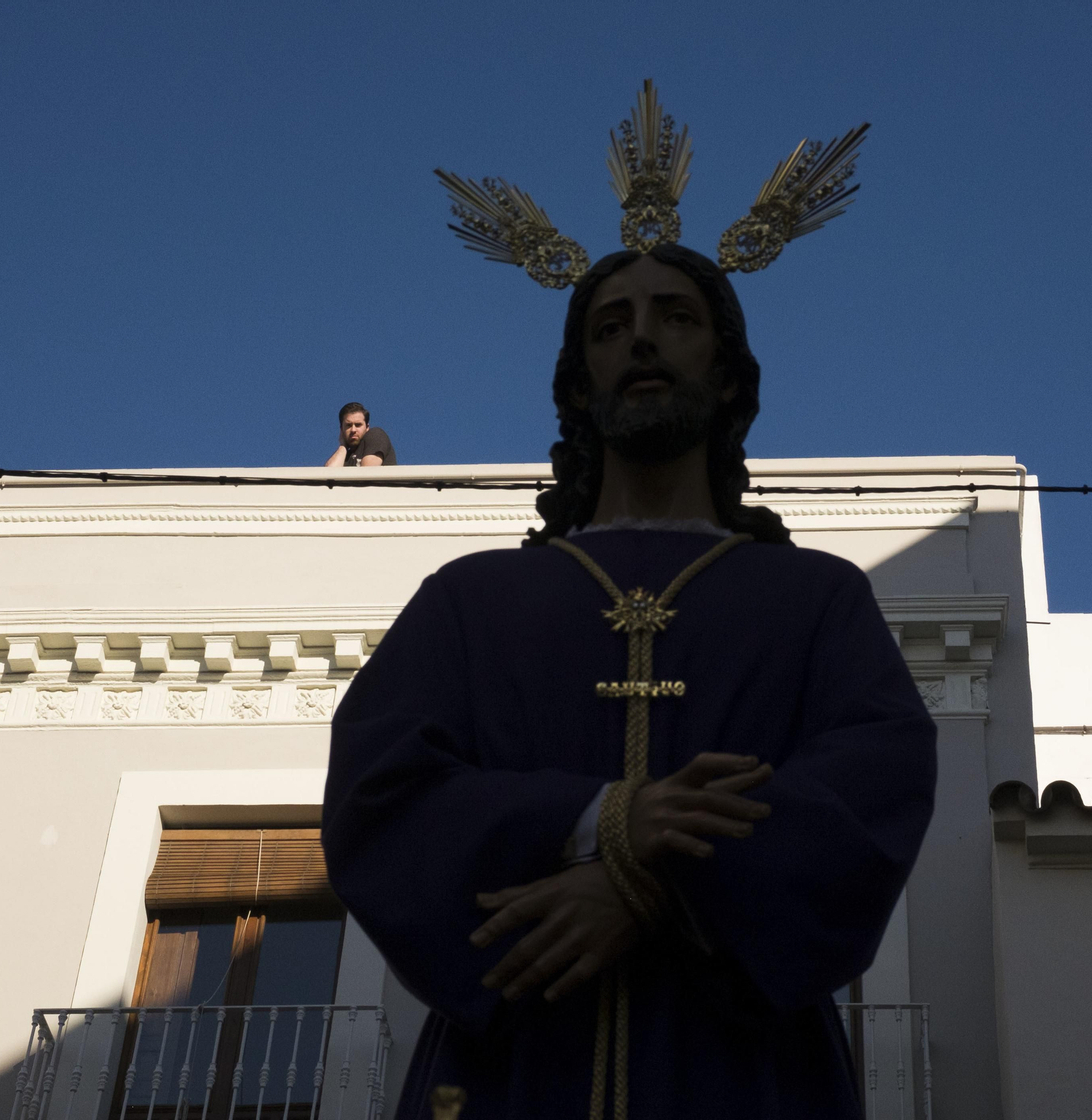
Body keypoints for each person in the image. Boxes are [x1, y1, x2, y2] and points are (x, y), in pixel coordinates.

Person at [322, 245, 937, 1120]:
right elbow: (379, 797)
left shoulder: (816, 600)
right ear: (580, 385)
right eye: (613, 327)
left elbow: (873, 789)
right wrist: (611, 818)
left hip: (750, 1075)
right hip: (512, 1076)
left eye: (676, 318)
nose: (643, 340)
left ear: (726, 374)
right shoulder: (471, 600)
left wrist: (646, 887)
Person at [326, 402, 396, 466]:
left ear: (367, 427)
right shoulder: (344, 457)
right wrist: (342, 445)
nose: (353, 430)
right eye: (348, 425)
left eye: (358, 425)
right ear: (341, 429)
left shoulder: (375, 435)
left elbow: (368, 472)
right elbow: (328, 475)